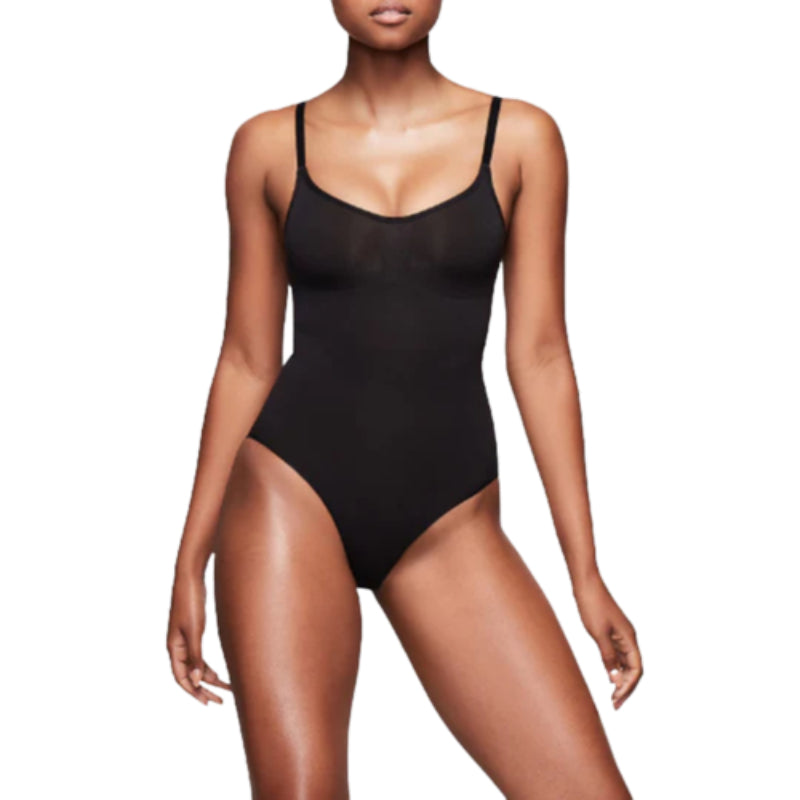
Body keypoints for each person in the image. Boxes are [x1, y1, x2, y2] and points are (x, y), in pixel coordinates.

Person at [167, 1, 643, 797]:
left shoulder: (521, 137)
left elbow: (540, 355)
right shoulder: (267, 146)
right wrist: (192, 555)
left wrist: (585, 573)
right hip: (289, 493)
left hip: (449, 518)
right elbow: (247, 358)